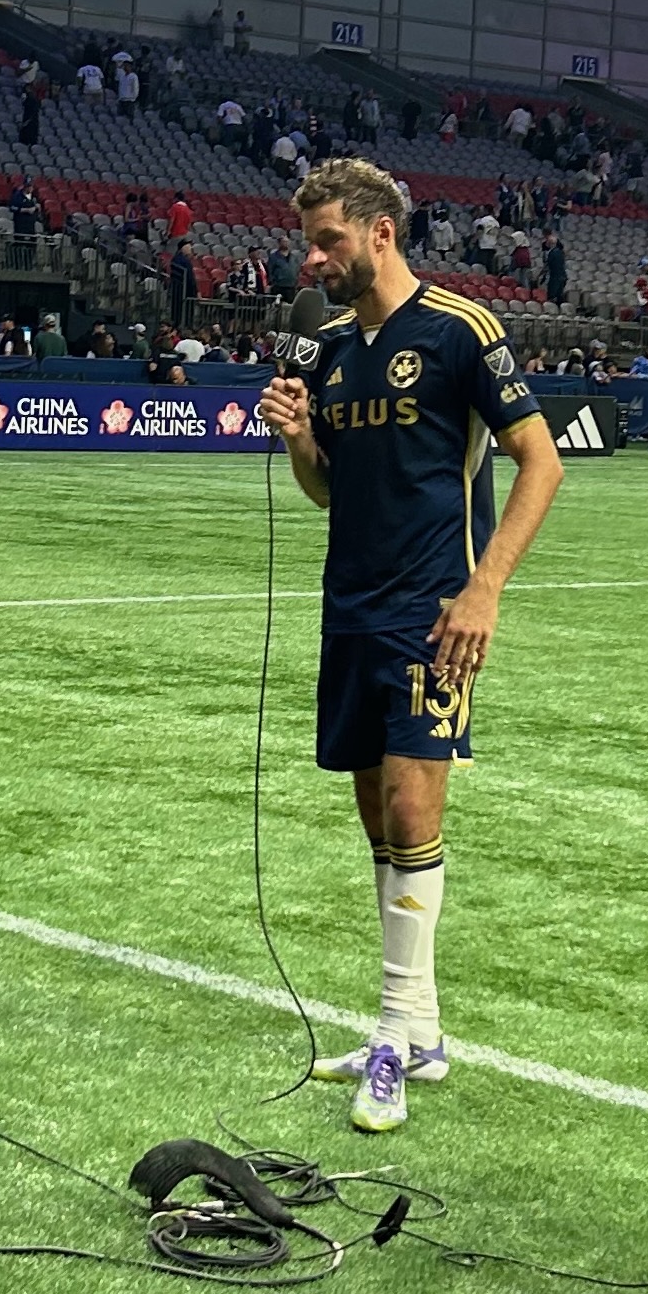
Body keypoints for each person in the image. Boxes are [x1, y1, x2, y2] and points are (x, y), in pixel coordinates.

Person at [256, 159, 563, 1134]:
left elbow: (541, 461)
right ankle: (418, 1030)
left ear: (380, 233)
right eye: (309, 243)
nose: (313, 260)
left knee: (411, 803)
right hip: (350, 609)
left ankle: (393, 1034)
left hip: (434, 614)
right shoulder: (330, 352)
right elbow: (329, 491)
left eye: (328, 241)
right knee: (380, 827)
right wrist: (299, 439)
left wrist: (485, 588)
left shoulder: (460, 330)